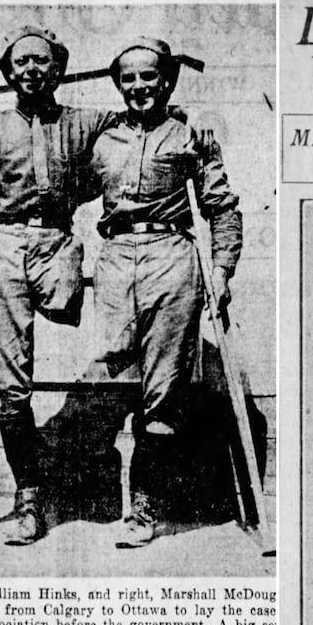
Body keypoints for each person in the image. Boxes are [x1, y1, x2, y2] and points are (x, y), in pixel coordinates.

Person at [0, 25, 114, 546]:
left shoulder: (85, 123)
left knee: (107, 340)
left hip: (55, 244)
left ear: (58, 69)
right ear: (9, 73)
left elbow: (137, 118)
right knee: (13, 387)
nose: (32, 70)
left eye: (43, 61)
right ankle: (29, 498)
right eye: (22, 63)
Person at [88, 37, 243, 549]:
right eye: (128, 79)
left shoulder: (193, 133)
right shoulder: (103, 137)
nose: (139, 87)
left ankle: (145, 508)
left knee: (162, 391)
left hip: (171, 260)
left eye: (148, 77)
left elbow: (220, 207)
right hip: (114, 263)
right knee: (116, 375)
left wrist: (221, 270)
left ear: (167, 79)